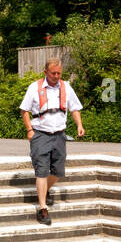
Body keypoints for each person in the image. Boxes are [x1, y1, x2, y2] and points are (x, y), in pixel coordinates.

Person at [19, 59, 84, 226]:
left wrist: (79, 125)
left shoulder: (66, 87)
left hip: (59, 135)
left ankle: (45, 190)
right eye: (53, 73)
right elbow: (24, 110)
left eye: (59, 73)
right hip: (40, 134)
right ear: (46, 72)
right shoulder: (34, 87)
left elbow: (74, 108)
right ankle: (42, 208)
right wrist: (29, 130)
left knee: (58, 171)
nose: (56, 76)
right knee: (41, 170)